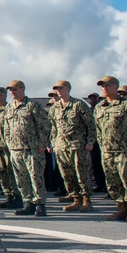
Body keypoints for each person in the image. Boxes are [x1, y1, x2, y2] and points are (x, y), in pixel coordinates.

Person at [93, 76, 127, 222]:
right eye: (102, 86)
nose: (104, 88)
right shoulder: (99, 107)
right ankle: (122, 208)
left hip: (125, 149)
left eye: (107, 85)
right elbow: (98, 130)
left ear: (116, 87)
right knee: (112, 181)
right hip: (107, 150)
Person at [3, 80, 51, 217]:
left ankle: (40, 204)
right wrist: (9, 143)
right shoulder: (9, 107)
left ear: (22, 89)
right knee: (21, 178)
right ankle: (28, 202)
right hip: (15, 149)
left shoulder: (32, 105)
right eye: (10, 90)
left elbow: (44, 125)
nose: (12, 92)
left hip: (32, 148)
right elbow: (7, 128)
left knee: (36, 177)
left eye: (15, 89)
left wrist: (42, 143)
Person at [48, 80, 95, 212]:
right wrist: (53, 143)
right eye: (57, 89)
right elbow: (53, 127)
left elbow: (90, 124)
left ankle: (86, 200)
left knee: (81, 173)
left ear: (68, 89)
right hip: (61, 146)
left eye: (61, 88)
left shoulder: (78, 104)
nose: (58, 91)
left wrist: (90, 142)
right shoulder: (55, 108)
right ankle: (76, 199)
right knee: (67, 175)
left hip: (77, 145)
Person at [0, 86, 21, 209]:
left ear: (4, 95)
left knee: (11, 172)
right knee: (1, 173)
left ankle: (17, 196)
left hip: (8, 146)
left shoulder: (10, 109)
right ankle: (8, 196)